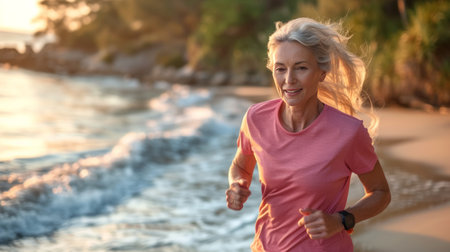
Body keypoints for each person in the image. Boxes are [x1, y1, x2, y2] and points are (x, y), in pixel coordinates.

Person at [225, 17, 391, 252]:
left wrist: (341, 220)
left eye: (301, 68)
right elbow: (240, 167)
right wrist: (236, 185)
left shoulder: (348, 132)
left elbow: (380, 193)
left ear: (321, 72)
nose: (289, 80)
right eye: (280, 69)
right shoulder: (255, 119)